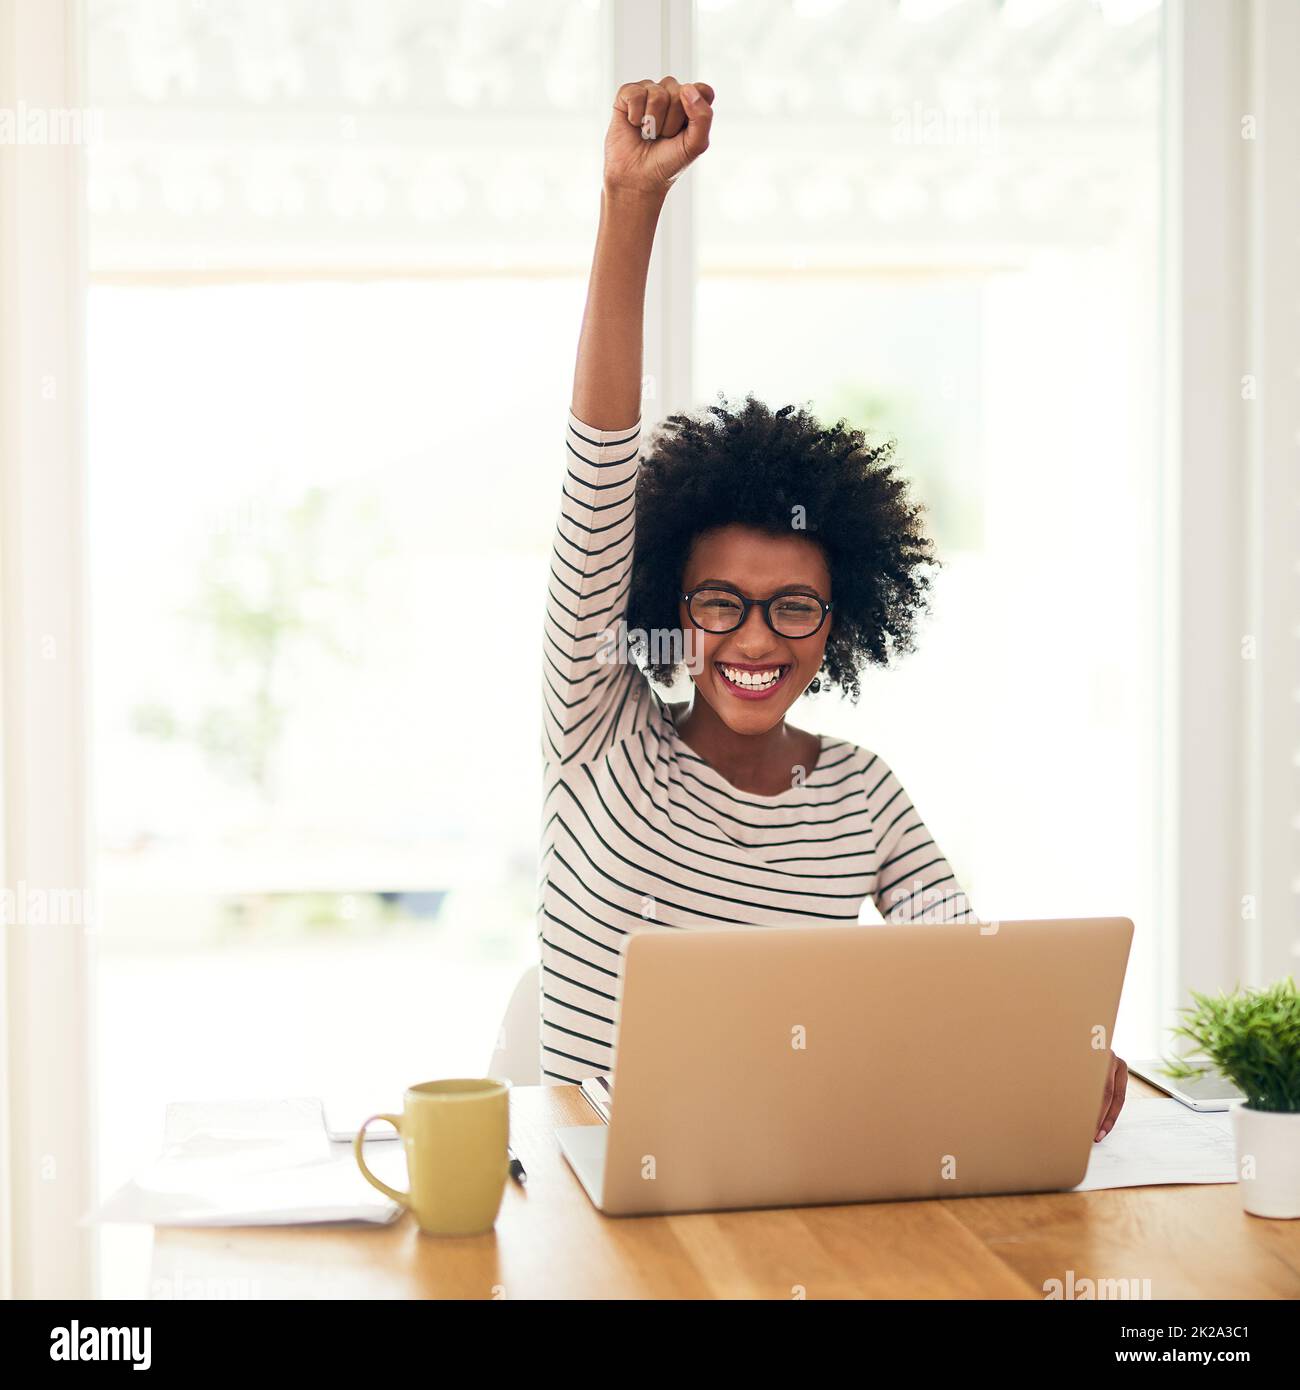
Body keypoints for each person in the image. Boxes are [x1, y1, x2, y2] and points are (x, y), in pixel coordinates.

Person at [539, 76, 1127, 1143]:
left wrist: (1059, 1041)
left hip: (772, 1200)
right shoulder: (599, 730)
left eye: (793, 607)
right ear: (671, 603)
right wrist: (632, 208)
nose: (756, 638)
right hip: (579, 1212)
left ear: (841, 620)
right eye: (721, 603)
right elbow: (599, 466)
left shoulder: (858, 794)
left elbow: (968, 961)